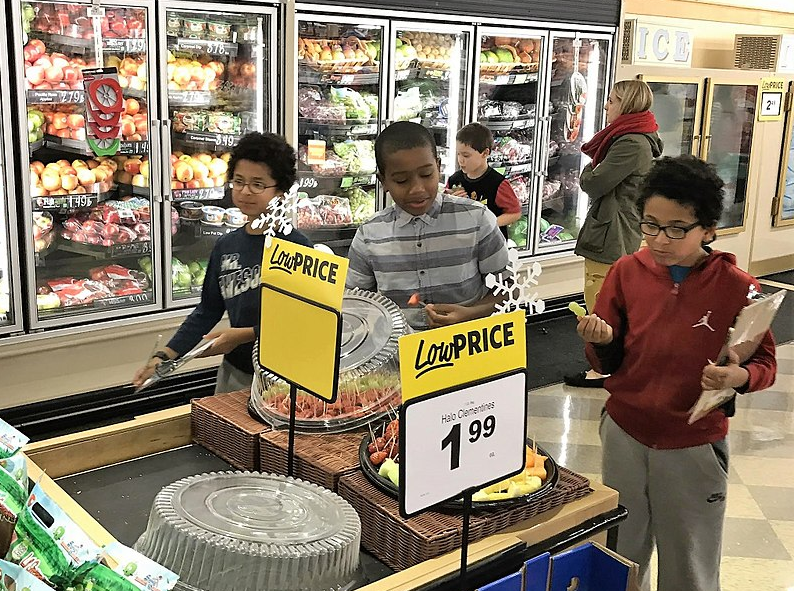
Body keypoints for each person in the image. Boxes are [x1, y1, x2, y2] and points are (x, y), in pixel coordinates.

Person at [575, 155, 777, 591]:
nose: (660, 240)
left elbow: (764, 364)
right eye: (650, 225)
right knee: (620, 550)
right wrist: (602, 339)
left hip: (694, 442)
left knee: (690, 560)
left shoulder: (739, 287)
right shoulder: (627, 272)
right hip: (625, 432)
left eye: (676, 229)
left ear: (707, 229)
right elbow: (604, 361)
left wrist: (737, 378)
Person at [132, 132, 313, 394]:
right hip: (234, 374)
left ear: (282, 191)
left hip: (285, 381)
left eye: (258, 185)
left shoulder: (297, 248)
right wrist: (164, 356)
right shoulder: (227, 246)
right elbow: (207, 310)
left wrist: (246, 334)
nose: (245, 191)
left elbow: (305, 321)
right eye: (238, 181)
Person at [345, 121, 509, 330]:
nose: (417, 189)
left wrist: (471, 313)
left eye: (426, 175)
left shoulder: (477, 219)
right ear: (383, 181)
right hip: (399, 356)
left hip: (467, 350)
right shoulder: (369, 235)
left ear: (438, 168)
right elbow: (354, 303)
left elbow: (508, 288)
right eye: (402, 180)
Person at [565, 79, 664, 388]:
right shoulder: (631, 137)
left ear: (628, 105)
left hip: (613, 232)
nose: (606, 105)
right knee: (604, 298)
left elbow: (594, 183)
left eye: (612, 100)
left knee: (601, 301)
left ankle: (601, 368)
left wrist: (584, 170)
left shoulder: (629, 142)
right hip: (615, 228)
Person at [446, 123, 522, 237]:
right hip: (463, 242)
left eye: (466, 156)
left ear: (485, 153)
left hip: (492, 244)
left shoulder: (497, 183)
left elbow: (514, 213)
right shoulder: (454, 180)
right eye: (458, 154)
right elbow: (444, 210)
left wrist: (488, 225)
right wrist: (452, 202)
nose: (460, 160)